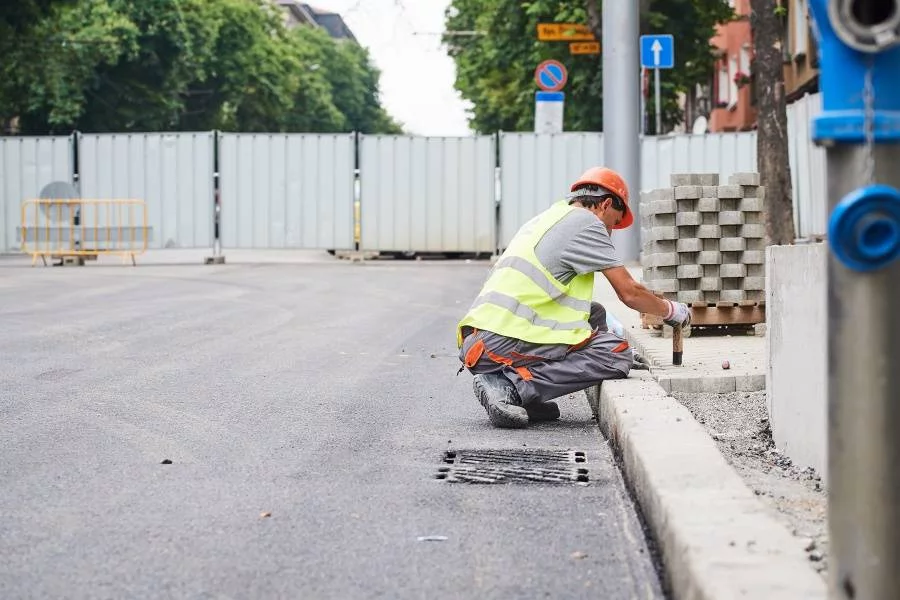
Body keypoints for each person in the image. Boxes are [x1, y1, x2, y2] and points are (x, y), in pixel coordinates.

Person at [455, 166, 692, 428]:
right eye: (614, 222)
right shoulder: (588, 224)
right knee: (615, 355)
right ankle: (511, 386)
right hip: (497, 343)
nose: (611, 231)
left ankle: (524, 392)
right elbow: (629, 293)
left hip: (481, 333)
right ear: (604, 205)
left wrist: (605, 332)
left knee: (596, 313)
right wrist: (671, 311)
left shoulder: (550, 217)